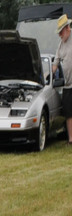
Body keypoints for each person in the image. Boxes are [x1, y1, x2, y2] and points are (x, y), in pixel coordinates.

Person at [54, 14, 72, 143]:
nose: (60, 35)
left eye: (61, 32)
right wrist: (49, 75)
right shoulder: (60, 45)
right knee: (68, 112)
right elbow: (55, 63)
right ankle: (71, 138)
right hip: (67, 85)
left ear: (67, 28)